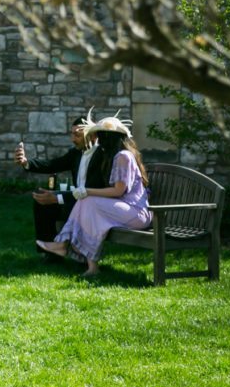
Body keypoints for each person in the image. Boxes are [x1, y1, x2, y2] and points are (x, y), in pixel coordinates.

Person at [37, 115, 151, 277]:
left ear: (111, 138)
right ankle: (92, 267)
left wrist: (87, 191)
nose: (99, 139)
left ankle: (63, 244)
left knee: (88, 201)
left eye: (102, 135)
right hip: (123, 210)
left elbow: (119, 191)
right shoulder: (114, 156)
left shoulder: (123, 156)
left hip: (136, 213)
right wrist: (86, 193)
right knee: (88, 205)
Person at [14, 114, 108, 256]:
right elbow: (53, 165)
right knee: (42, 201)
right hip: (77, 199)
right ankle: (49, 253)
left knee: (53, 199)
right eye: (72, 134)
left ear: (93, 135)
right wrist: (26, 162)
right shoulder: (75, 154)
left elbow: (92, 189)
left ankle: (64, 249)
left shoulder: (102, 155)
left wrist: (58, 198)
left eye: (77, 135)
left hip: (93, 203)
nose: (73, 139)